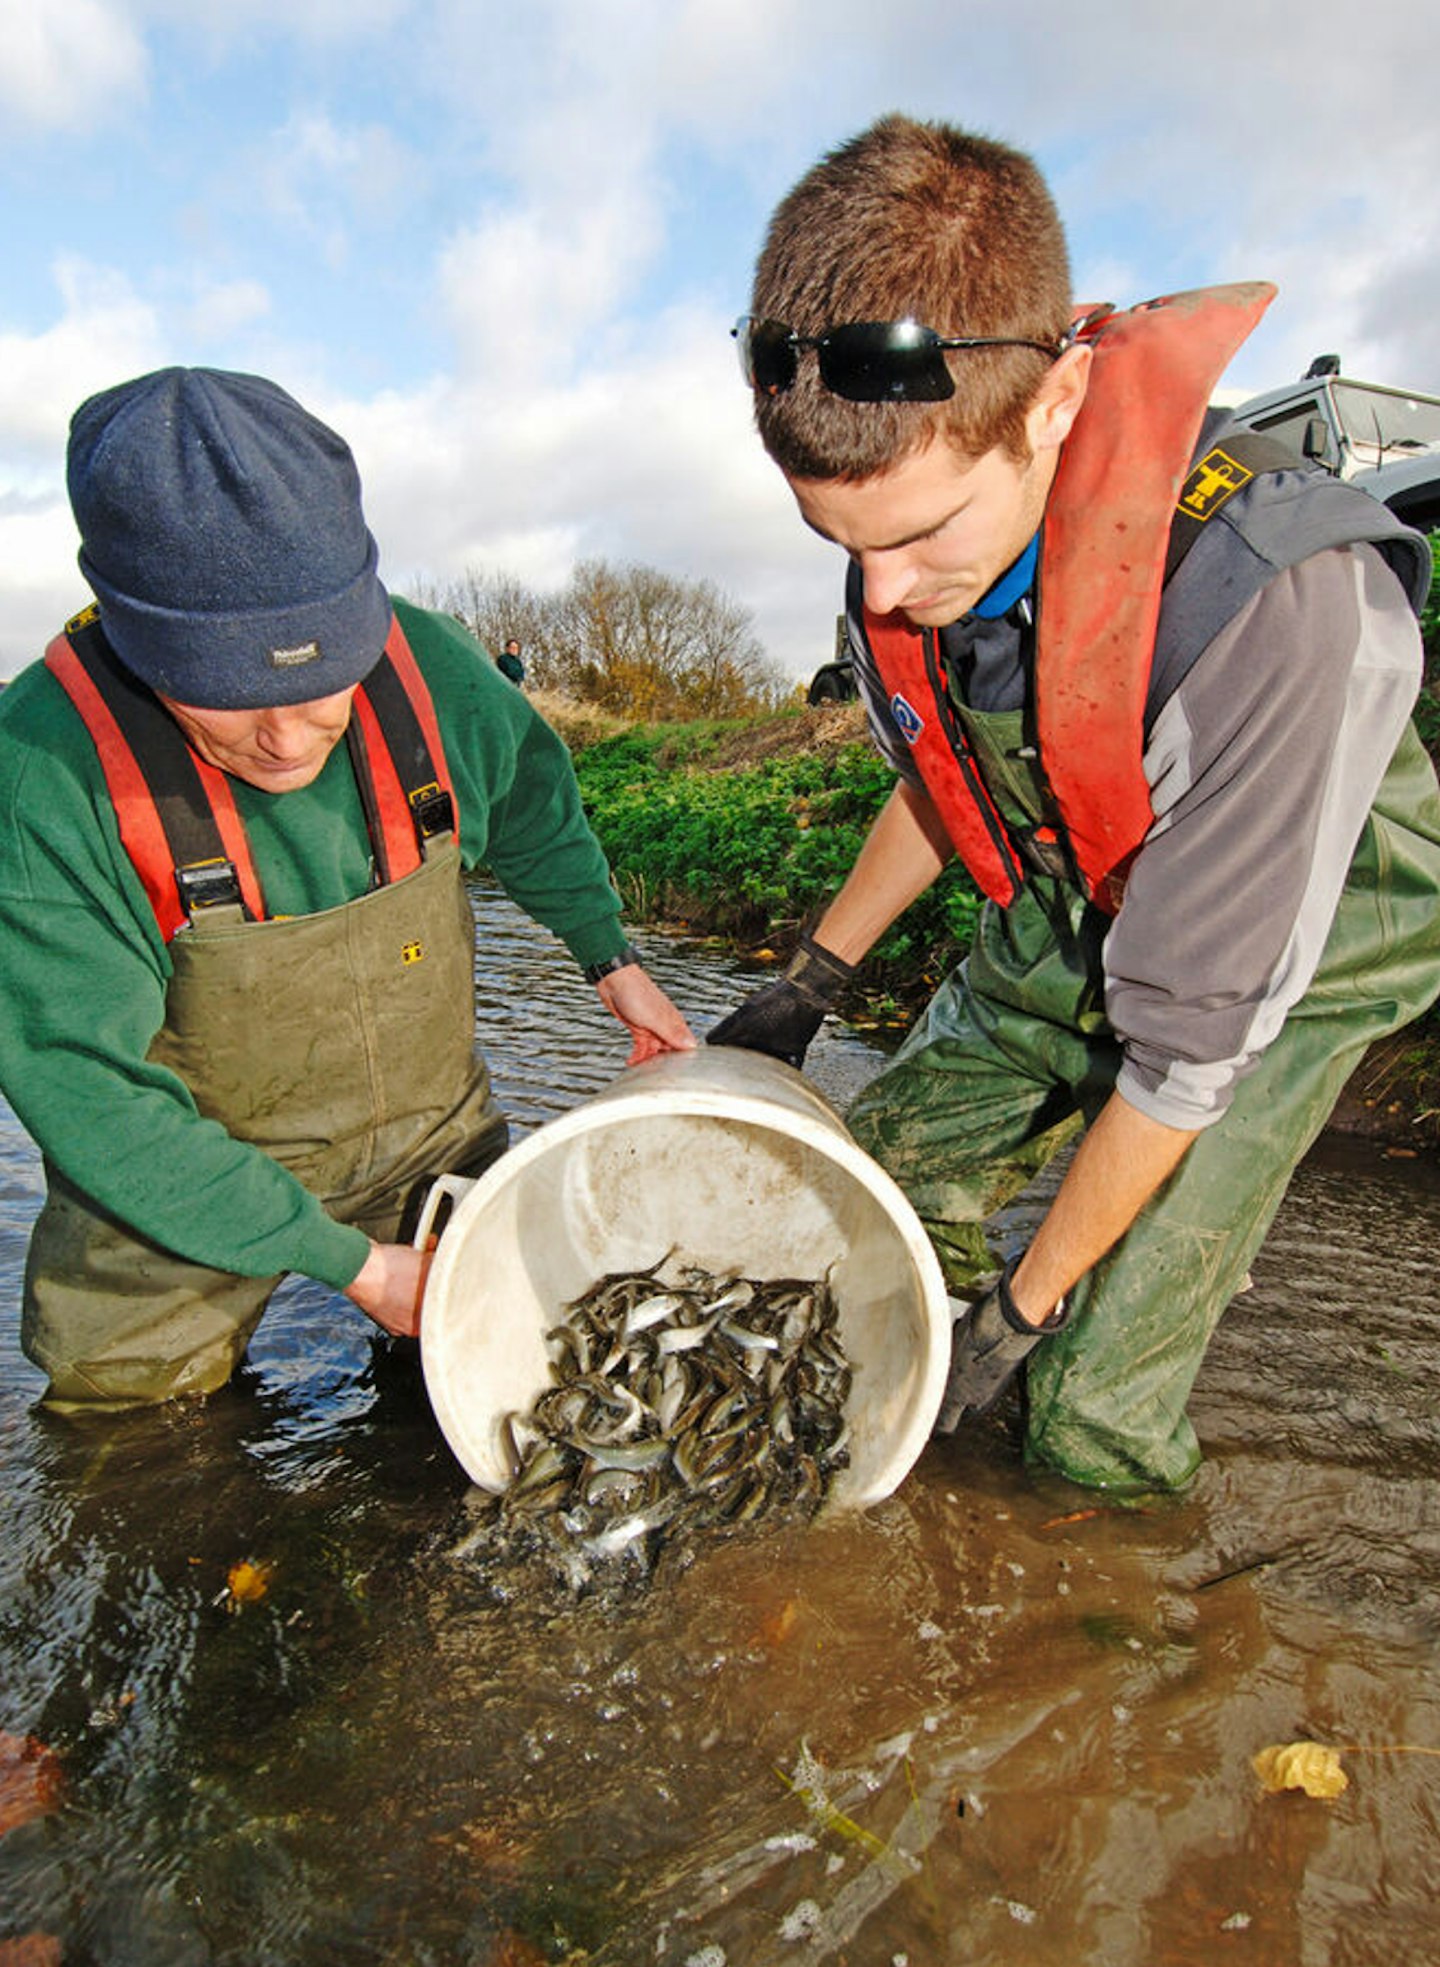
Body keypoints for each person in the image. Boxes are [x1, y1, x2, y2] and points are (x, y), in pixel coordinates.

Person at [709, 116, 1440, 1492]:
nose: (874, 594)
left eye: (917, 536)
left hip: (1299, 936)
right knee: (876, 1199)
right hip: (1078, 874)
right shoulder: (900, 541)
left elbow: (1182, 1060)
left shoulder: (1275, 611)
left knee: (1086, 1406)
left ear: (1053, 408)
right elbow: (948, 770)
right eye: (839, 543)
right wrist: (812, 978)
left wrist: (1018, 1315)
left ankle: (1132, 1629)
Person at [0, 366, 694, 1408]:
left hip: (425, 1138)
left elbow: (536, 800)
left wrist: (610, 955)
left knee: (526, 1370)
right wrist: (358, 1269)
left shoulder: (434, 667)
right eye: (230, 695)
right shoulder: (40, 777)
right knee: (126, 1451)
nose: (286, 739)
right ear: (140, 639)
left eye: (319, 686)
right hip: (166, 1184)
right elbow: (92, 1096)